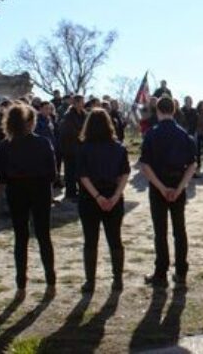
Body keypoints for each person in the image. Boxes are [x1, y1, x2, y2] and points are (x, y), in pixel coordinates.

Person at [0, 103, 56, 296]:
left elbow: (2, 175)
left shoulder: (6, 145)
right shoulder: (43, 142)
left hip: (16, 191)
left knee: (20, 238)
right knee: (43, 236)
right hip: (40, 189)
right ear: (30, 122)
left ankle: (21, 285)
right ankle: (50, 281)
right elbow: (52, 173)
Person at [139, 96, 197, 287]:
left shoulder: (151, 134)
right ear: (173, 110)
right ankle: (181, 272)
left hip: (158, 187)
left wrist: (162, 188)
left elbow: (145, 166)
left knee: (160, 231)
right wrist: (179, 188)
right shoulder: (184, 135)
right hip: (177, 185)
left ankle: (161, 273)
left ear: (158, 111)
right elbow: (193, 164)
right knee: (179, 231)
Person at [77, 109, 130, 292]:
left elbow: (83, 176)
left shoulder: (84, 148)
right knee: (115, 238)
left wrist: (98, 197)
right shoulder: (119, 148)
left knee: (90, 240)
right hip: (112, 196)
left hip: (90, 198)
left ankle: (90, 281)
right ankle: (117, 279)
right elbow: (125, 174)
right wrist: (115, 196)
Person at [58, 94, 86, 200]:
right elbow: (67, 131)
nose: (83, 104)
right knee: (70, 172)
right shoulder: (68, 115)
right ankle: (70, 193)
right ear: (75, 103)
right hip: (70, 148)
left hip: (81, 147)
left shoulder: (84, 114)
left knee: (80, 170)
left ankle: (80, 190)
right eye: (81, 102)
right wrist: (81, 134)